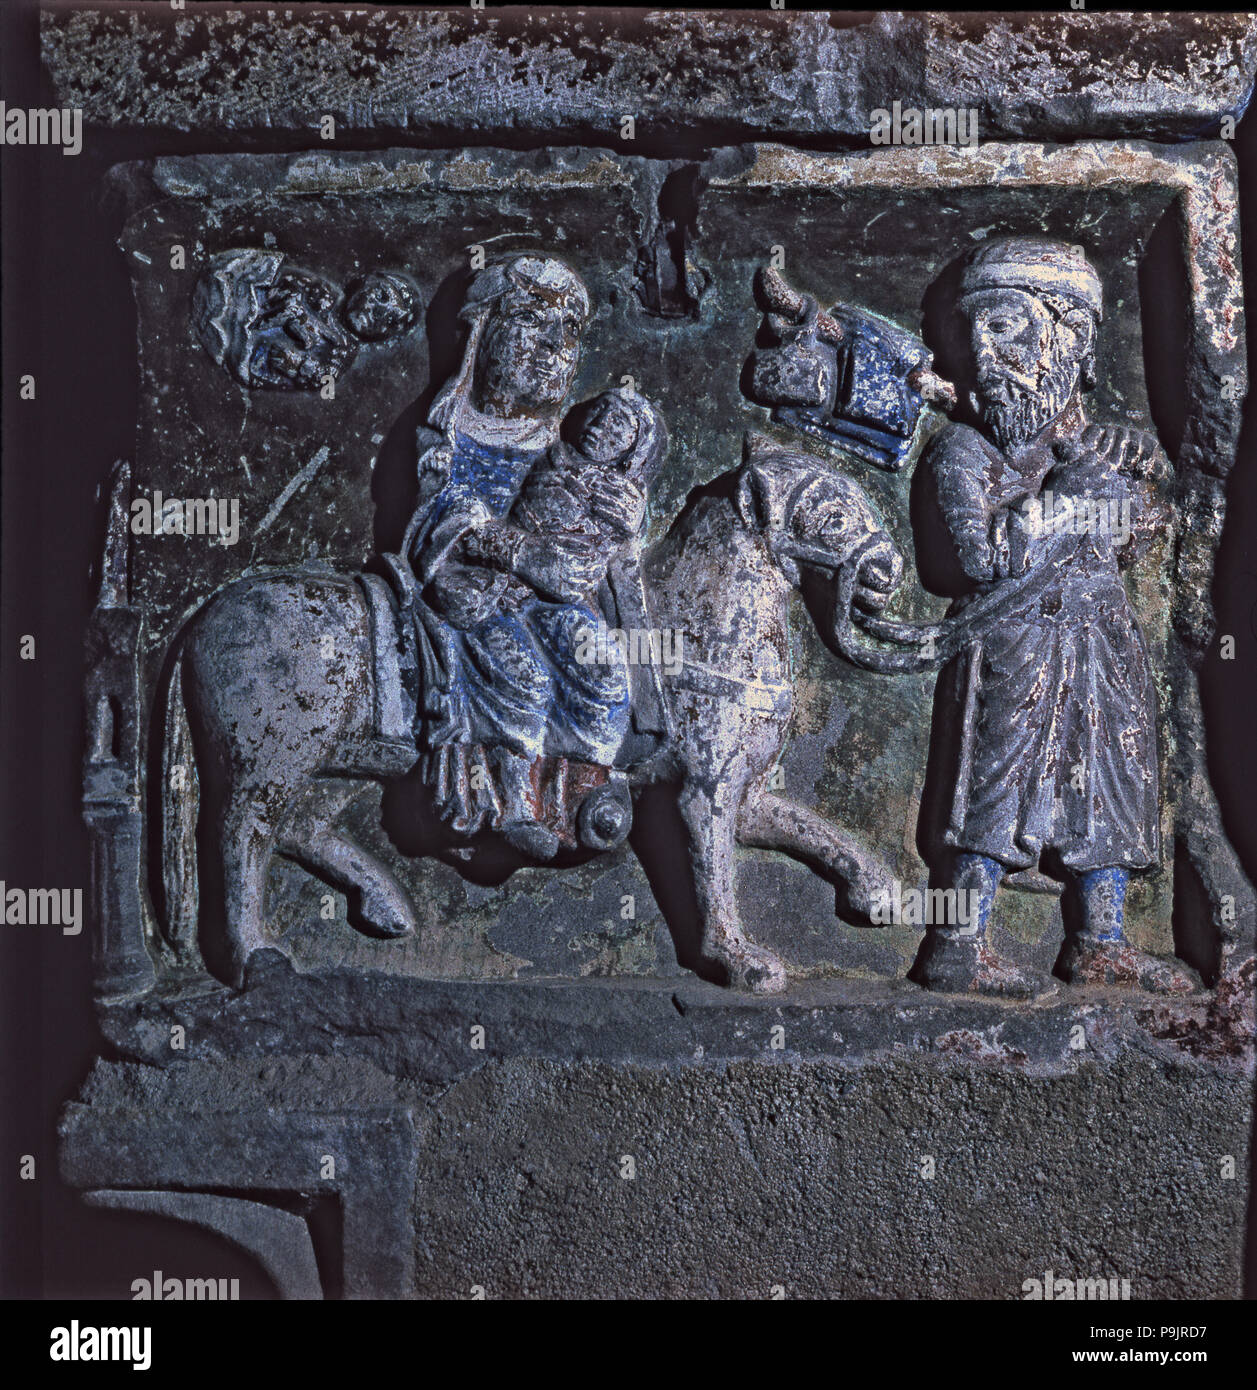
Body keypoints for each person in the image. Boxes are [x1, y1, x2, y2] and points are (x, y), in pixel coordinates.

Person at [911, 236, 1193, 997]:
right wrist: (1064, 495)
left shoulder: (1096, 444)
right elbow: (973, 560)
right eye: (968, 334)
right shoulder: (963, 452)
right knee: (999, 784)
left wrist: (1130, 489)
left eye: (1004, 327)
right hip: (1015, 640)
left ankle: (1100, 940)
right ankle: (956, 943)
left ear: (1066, 338)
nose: (982, 350)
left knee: (1110, 780)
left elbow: (1135, 541)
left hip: (1099, 637)